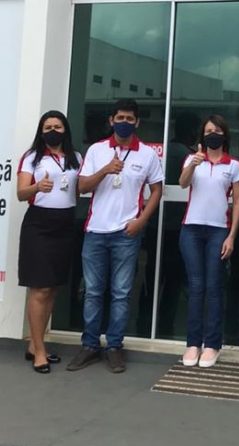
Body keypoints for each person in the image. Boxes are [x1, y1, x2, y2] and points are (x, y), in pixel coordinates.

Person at [66, 98, 163, 373]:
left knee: (121, 293)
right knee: (93, 292)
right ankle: (89, 345)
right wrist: (105, 170)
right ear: (111, 120)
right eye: (120, 118)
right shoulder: (97, 150)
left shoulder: (147, 154)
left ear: (137, 122)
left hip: (126, 233)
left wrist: (141, 221)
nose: (124, 123)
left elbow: (157, 190)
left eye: (129, 119)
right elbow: (82, 187)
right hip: (96, 231)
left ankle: (114, 347)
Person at [17, 110, 82, 373]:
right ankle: (40, 351)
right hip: (39, 225)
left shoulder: (76, 157)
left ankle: (35, 343)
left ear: (65, 129)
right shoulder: (32, 157)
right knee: (39, 288)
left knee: (53, 288)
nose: (53, 131)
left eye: (57, 126)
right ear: (41, 131)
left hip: (65, 224)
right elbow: (21, 193)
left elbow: (80, 188)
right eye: (47, 127)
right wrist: (36, 187)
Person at [179, 114, 239, 367]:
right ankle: (193, 343)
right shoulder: (192, 159)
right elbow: (182, 183)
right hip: (191, 230)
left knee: (214, 287)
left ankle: (212, 344)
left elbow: (238, 202)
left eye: (217, 131)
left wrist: (231, 236)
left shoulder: (233, 165)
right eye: (208, 131)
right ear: (202, 136)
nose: (212, 135)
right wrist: (193, 164)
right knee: (196, 286)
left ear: (224, 135)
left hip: (219, 231)